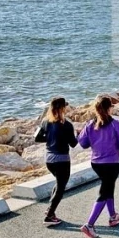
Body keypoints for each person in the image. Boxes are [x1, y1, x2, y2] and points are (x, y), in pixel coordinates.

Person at [78, 95, 119, 238]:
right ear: (109, 108)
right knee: (104, 191)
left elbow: (82, 144)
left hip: (96, 164)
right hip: (111, 163)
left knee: (108, 188)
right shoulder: (115, 124)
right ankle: (89, 225)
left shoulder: (89, 125)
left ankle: (113, 216)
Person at [35, 97, 78, 226]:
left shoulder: (45, 122)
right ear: (62, 108)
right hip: (62, 160)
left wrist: (50, 139)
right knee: (60, 187)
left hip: (49, 159)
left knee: (58, 183)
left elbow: (37, 138)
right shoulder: (67, 125)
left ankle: (50, 210)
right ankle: (49, 216)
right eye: (65, 106)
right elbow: (73, 144)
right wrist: (78, 134)